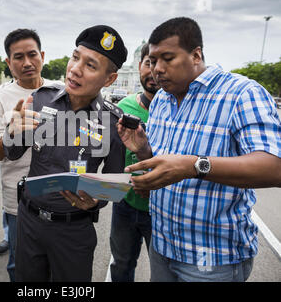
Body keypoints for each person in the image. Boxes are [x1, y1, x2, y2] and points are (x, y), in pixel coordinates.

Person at [120, 17, 281, 282]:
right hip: (162, 248)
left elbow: (274, 167)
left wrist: (194, 166)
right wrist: (143, 150)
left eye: (167, 59)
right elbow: (164, 165)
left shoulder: (241, 93)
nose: (156, 70)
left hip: (213, 259)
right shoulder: (161, 98)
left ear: (196, 55)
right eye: (151, 61)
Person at [3, 25, 129, 281]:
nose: (75, 69)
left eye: (90, 65)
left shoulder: (113, 123)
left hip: (73, 231)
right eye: (75, 57)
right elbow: (12, 152)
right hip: (29, 222)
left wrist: (97, 200)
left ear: (109, 79)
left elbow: (115, 185)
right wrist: (12, 131)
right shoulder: (41, 99)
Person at [0, 28, 62, 281]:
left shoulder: (62, 92)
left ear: (42, 56)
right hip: (18, 201)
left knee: (57, 265)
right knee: (20, 266)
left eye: (32, 54)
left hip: (58, 195)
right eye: (18, 57)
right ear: (8, 63)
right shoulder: (0, 98)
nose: (27, 62)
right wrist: (13, 130)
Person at [109, 42, 160, 282]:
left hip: (161, 211)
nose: (153, 71)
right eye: (148, 62)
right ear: (139, 66)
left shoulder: (181, 110)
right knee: (121, 264)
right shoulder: (123, 107)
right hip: (125, 204)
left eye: (160, 63)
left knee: (162, 271)